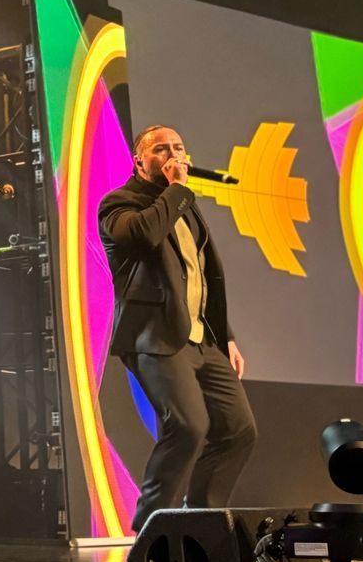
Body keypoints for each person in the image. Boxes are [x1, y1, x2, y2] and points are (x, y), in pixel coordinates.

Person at [99, 124, 256, 531]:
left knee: (238, 429)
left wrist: (229, 336)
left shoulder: (181, 204)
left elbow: (196, 276)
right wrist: (178, 190)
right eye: (161, 149)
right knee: (187, 426)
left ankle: (202, 520)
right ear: (140, 160)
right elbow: (145, 235)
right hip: (156, 337)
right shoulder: (119, 204)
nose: (173, 155)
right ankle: (151, 528)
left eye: (179, 148)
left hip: (203, 339)